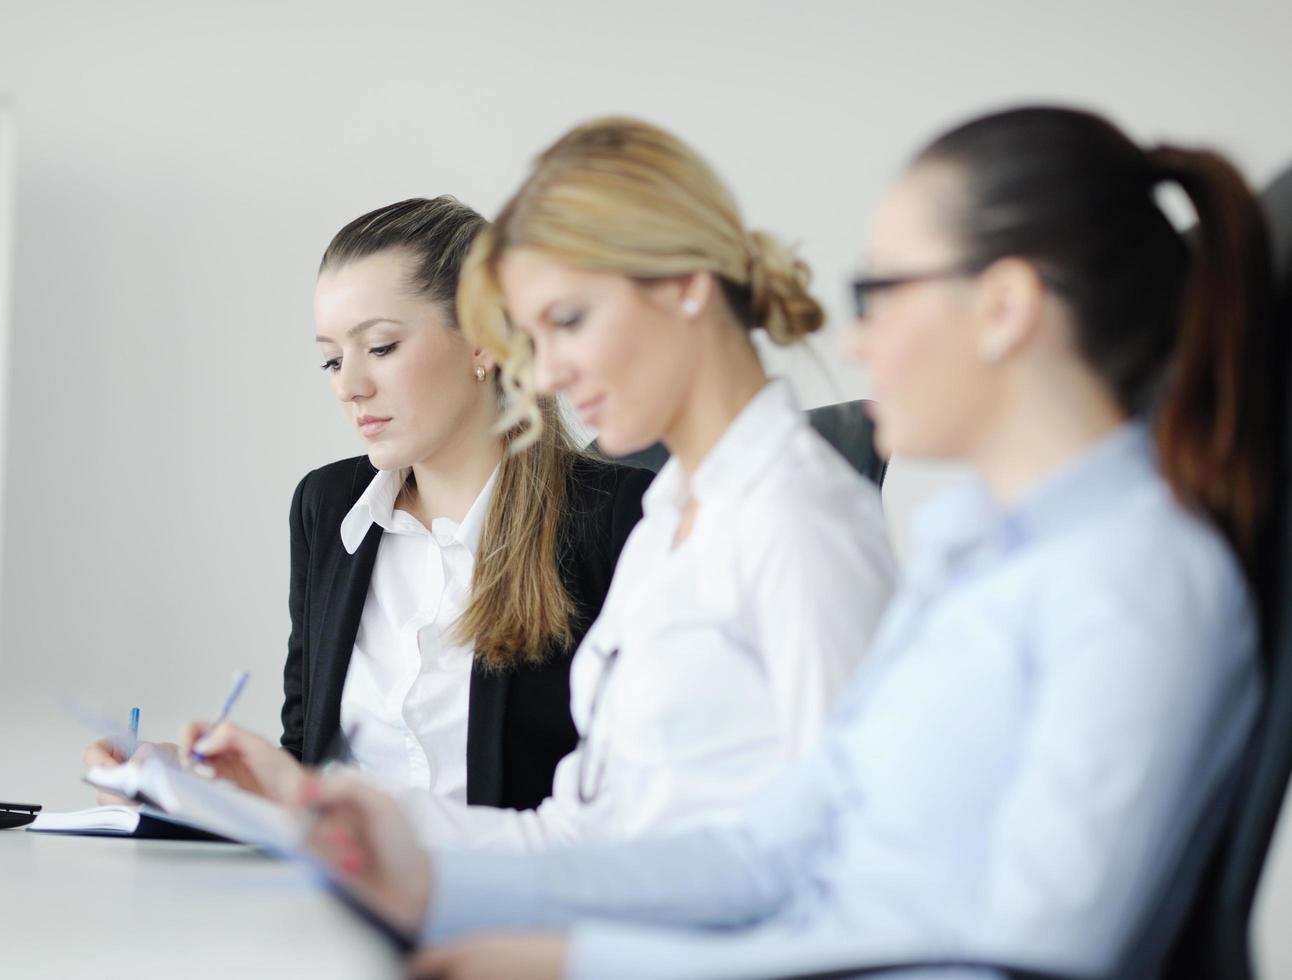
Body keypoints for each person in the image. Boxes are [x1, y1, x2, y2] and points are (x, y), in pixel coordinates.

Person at [307, 105, 1280, 980]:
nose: (853, 343)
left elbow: (1016, 951)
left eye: (883, 292)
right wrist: (441, 885)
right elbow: (781, 846)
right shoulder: (968, 548)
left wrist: (581, 962)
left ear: (1005, 307)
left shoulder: (1137, 578)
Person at [195, 117, 895, 850]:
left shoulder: (791, 520)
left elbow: (840, 851)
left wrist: (552, 951)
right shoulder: (669, 515)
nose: (548, 369)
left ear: (686, 288)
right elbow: (585, 831)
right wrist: (299, 799)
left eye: (569, 320)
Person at [84, 196, 652, 814]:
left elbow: (634, 795)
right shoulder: (326, 509)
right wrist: (194, 781)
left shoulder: (616, 519)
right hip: (335, 896)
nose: (347, 386)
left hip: (509, 898)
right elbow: (307, 761)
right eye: (331, 358)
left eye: (379, 347)